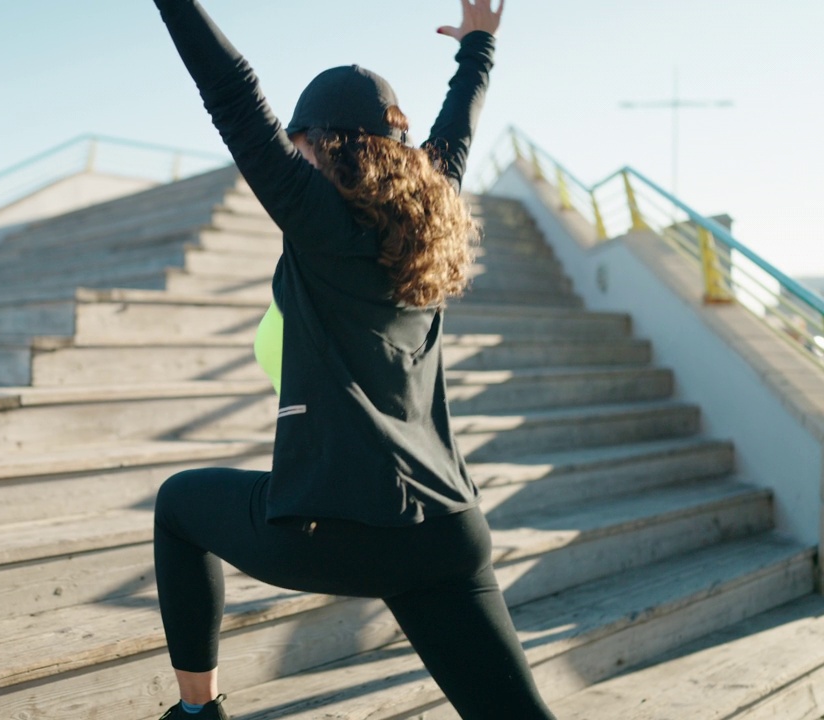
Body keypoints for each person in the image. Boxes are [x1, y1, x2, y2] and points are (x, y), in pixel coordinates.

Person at [149, 1, 556, 718]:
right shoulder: (431, 217)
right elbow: (456, 132)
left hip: (345, 533)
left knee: (179, 506)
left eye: (298, 145)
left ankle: (196, 713)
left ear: (320, 145)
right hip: (451, 530)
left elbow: (232, 91)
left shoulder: (317, 214)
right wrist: (479, 48)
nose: (294, 156)